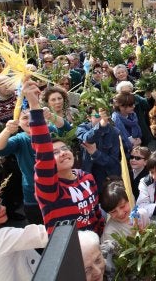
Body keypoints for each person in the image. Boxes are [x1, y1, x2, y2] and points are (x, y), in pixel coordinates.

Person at [25, 80, 105, 235]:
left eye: (64, 149)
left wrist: (101, 234)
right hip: (70, 252)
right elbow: (43, 151)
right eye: (55, 152)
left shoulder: (86, 177)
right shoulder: (50, 189)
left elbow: (95, 213)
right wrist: (35, 107)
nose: (62, 153)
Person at [76, 107, 122, 191]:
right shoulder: (82, 128)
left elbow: (114, 163)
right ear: (89, 117)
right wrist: (100, 126)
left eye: (104, 116)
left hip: (106, 179)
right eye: (97, 115)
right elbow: (88, 139)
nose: (101, 119)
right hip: (88, 179)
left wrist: (95, 153)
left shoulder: (114, 132)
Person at [100, 178, 148, 243]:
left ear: (130, 199)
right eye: (113, 211)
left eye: (122, 206)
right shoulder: (110, 232)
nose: (120, 213)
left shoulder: (142, 215)